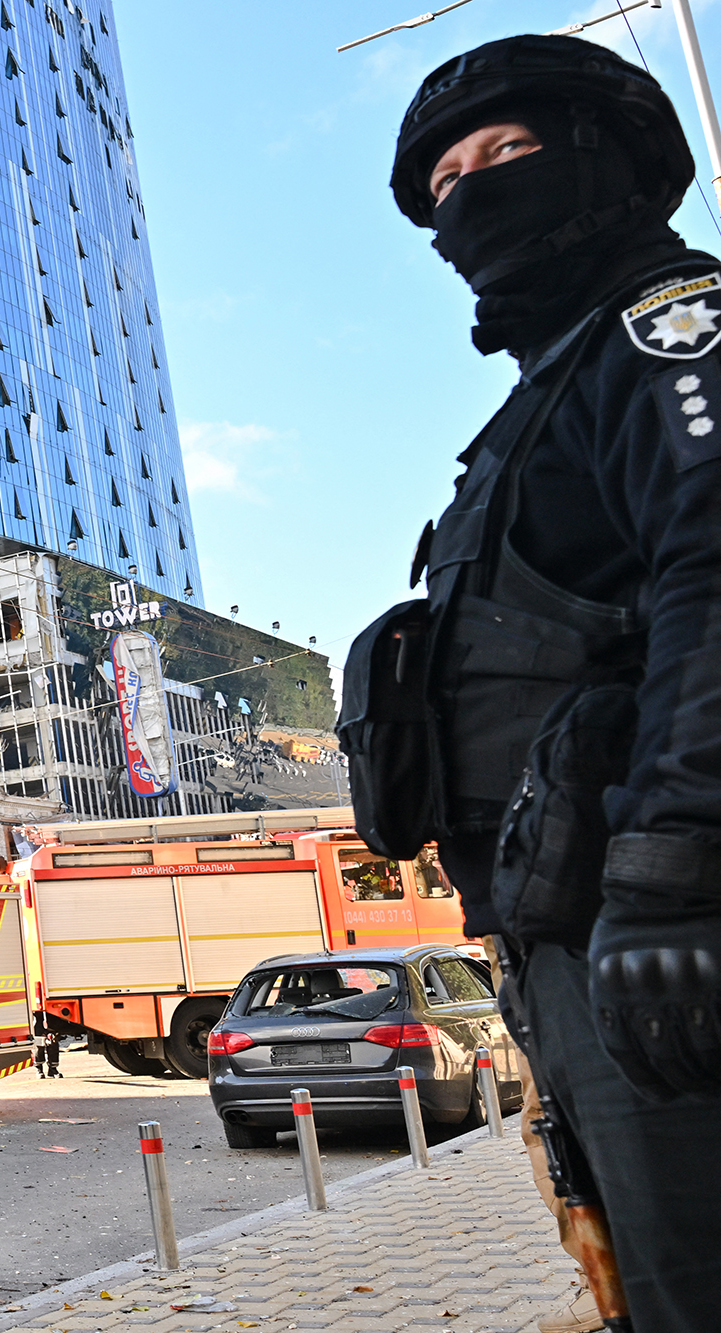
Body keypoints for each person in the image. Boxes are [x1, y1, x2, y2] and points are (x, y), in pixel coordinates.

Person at [359, 33, 721, 1332]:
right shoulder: (539, 401)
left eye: (505, 156)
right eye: (447, 178)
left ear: (605, 160)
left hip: (669, 929)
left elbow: (715, 573)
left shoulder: (671, 330)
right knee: (645, 1271)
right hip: (570, 930)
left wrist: (675, 865)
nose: (471, 195)